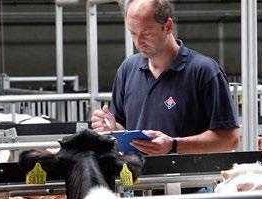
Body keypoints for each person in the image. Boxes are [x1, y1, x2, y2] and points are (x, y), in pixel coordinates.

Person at [91, 0, 239, 156]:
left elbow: (229, 139)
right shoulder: (128, 69)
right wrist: (112, 128)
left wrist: (174, 145)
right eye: (133, 33)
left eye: (146, 33)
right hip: (138, 176)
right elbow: (124, 129)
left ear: (168, 27)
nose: (138, 42)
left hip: (190, 177)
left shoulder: (204, 71)